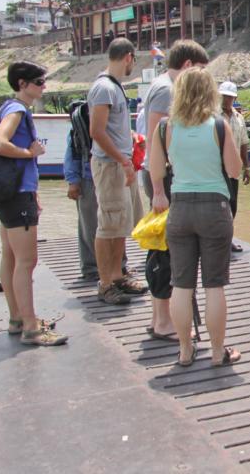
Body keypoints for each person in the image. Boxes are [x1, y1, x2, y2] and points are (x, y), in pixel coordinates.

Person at [149, 66, 243, 368]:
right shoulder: (218, 125)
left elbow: (156, 170)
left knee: (181, 283)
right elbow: (234, 170)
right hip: (214, 207)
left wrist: (159, 194)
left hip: (180, 208)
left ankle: (186, 351)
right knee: (214, 284)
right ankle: (217, 353)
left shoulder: (165, 128)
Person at [0, 62, 67, 346]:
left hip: (10, 194)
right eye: (39, 81)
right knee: (26, 261)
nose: (43, 86)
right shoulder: (18, 110)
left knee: (10, 257)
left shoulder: (9, 107)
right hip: (18, 195)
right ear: (22, 84)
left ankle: (17, 318)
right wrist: (28, 152)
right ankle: (31, 327)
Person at [141, 39, 210, 340]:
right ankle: (164, 320)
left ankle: (162, 316)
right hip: (164, 180)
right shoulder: (167, 91)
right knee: (166, 252)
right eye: (200, 70)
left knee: (164, 248)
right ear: (187, 66)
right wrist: (159, 189)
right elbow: (157, 140)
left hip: (164, 178)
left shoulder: (161, 86)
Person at [87, 38, 148, 305]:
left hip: (121, 162)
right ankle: (105, 282)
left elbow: (108, 129)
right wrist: (122, 160)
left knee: (120, 224)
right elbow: (96, 132)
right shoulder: (104, 88)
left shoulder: (113, 87)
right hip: (111, 165)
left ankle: (117, 274)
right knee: (108, 224)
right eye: (133, 61)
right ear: (128, 57)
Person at [63, 130, 128, 281]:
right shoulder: (82, 123)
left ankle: (117, 266)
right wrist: (73, 180)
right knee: (90, 225)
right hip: (88, 177)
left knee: (116, 223)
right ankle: (92, 268)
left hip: (109, 174)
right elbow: (73, 151)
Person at [218, 81, 250, 253]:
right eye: (224, 96)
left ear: (235, 98)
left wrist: (247, 168)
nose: (227, 100)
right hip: (217, 169)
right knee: (218, 204)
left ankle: (228, 239)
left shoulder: (239, 118)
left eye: (230, 97)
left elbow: (244, 143)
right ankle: (217, 241)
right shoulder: (213, 116)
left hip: (234, 169)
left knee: (233, 204)